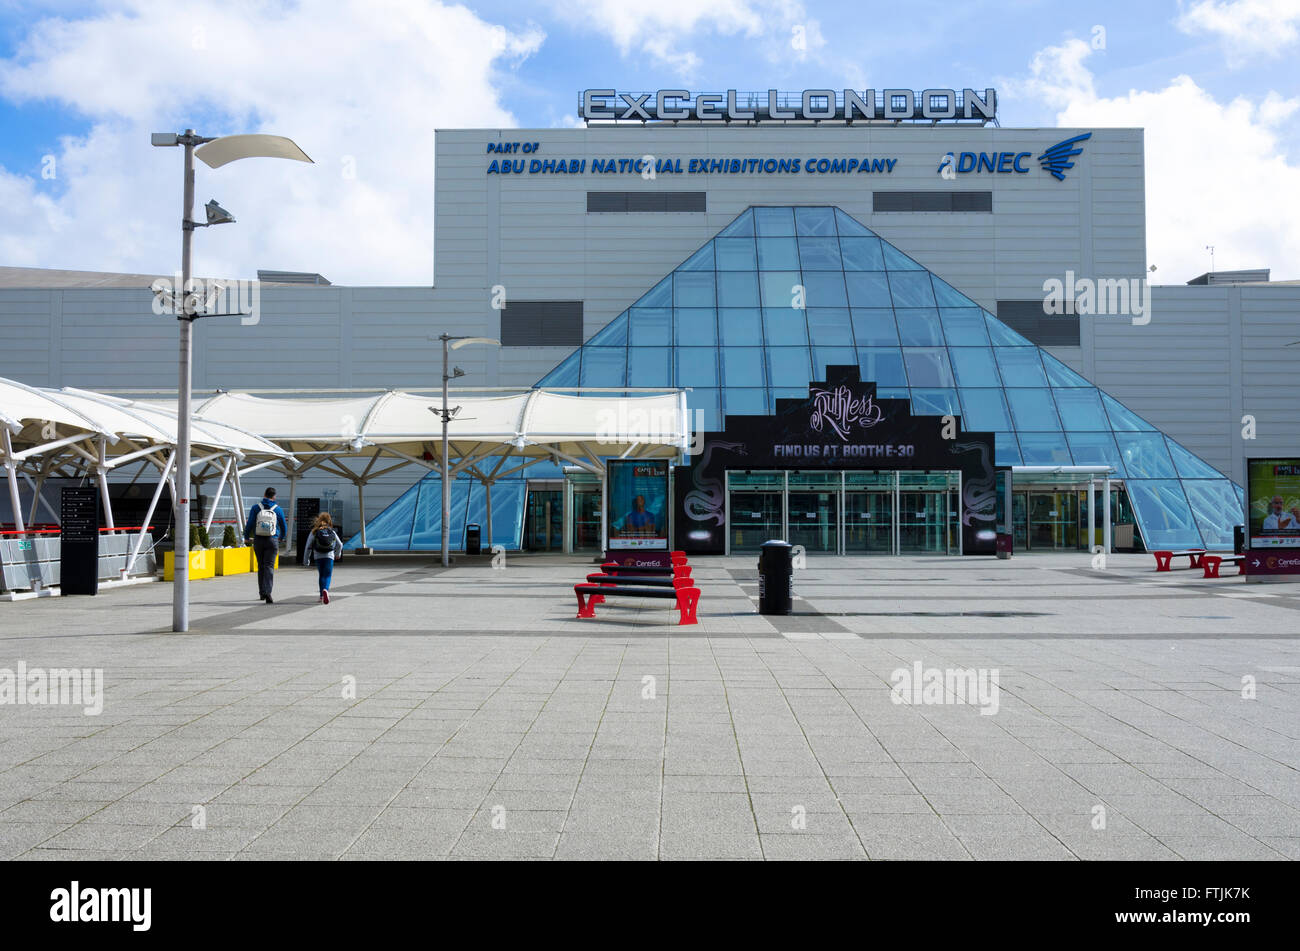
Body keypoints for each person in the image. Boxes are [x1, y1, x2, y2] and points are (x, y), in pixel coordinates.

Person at [244, 486, 287, 603]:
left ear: (264, 494)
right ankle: (268, 591)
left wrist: (246, 537)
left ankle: (262, 593)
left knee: (261, 566)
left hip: (258, 540)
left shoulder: (256, 508)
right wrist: (281, 538)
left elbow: (250, 524)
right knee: (269, 566)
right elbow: (284, 526)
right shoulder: (278, 509)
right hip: (272, 540)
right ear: (274, 496)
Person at [307, 511, 344, 604]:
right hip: (329, 556)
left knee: (321, 575)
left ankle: (321, 596)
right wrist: (337, 554)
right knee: (327, 575)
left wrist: (306, 560)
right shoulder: (332, 532)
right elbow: (340, 544)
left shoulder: (314, 531)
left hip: (318, 556)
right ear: (329, 521)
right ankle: (326, 590)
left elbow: (308, 546)